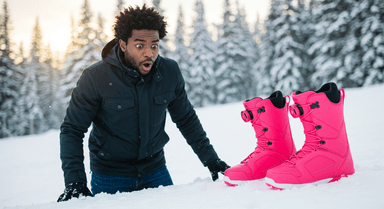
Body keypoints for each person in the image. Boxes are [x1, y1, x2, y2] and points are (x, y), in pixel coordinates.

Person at [57, 4, 229, 202]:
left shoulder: (169, 72)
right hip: (110, 176)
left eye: (154, 45)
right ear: (123, 45)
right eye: (140, 46)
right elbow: (72, 129)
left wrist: (211, 159)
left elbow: (186, 119)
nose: (149, 53)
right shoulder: (95, 77)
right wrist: (75, 182)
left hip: (155, 171)